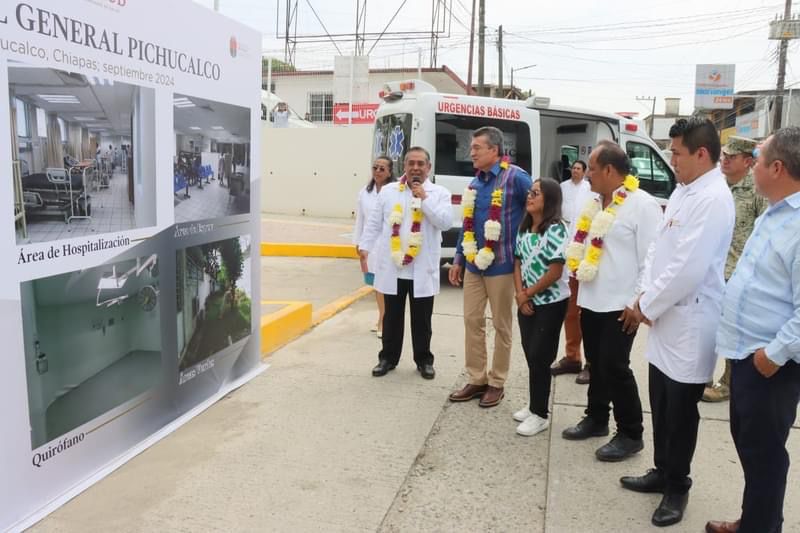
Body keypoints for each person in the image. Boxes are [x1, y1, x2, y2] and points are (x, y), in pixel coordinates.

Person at [621, 117, 735, 527]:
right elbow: (658, 248)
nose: (672, 161)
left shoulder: (714, 199)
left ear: (702, 154)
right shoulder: (685, 191)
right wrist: (645, 294)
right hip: (664, 316)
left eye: (677, 153)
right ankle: (661, 469)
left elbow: (689, 268)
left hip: (689, 322)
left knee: (681, 413)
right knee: (661, 403)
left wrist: (645, 305)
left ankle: (677, 487)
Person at [706, 127, 800, 533]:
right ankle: (755, 521)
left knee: (764, 455)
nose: (752, 167)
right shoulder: (775, 212)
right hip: (746, 353)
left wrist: (773, 354)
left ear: (776, 167)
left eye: (759, 161)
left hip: (770, 363)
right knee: (751, 446)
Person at [561, 140, 661, 463]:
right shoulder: (591, 202)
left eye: (591, 167)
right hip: (591, 297)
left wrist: (639, 301)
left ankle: (631, 433)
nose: (587, 173)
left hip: (622, 304)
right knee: (596, 363)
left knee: (615, 366)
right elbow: (578, 242)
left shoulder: (641, 204)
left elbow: (652, 257)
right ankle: (596, 418)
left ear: (609, 169)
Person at [447, 126, 533, 408]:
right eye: (472, 148)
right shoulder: (474, 184)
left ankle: (497, 382)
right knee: (472, 321)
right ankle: (477, 378)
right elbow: (466, 225)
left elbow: (537, 210)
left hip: (503, 265)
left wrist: (528, 252)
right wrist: (459, 259)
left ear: (494, 151)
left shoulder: (516, 178)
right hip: (473, 266)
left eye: (477, 148)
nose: (471, 152)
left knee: (502, 326)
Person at [358, 147, 452, 379]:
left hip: (423, 267)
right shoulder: (390, 191)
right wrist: (364, 247)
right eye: (411, 163)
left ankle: (424, 361)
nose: (416, 168)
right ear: (405, 167)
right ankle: (387, 358)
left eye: (421, 163)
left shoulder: (439, 193)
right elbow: (374, 223)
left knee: (422, 321)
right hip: (394, 266)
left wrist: (424, 199)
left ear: (428, 168)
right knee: (391, 318)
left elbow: (445, 223)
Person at [702, 136, 767, 403]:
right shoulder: (717, 186)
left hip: (737, 272)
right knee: (706, 324)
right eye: (724, 156)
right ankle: (702, 375)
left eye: (732, 156)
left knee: (730, 329)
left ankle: (727, 382)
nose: (725, 160)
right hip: (711, 269)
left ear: (748, 161)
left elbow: (763, 233)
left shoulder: (756, 192)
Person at [512, 177, 570, 436]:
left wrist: (528, 294)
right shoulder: (525, 227)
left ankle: (540, 414)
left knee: (540, 355)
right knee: (530, 353)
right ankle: (535, 404)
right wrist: (520, 295)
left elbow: (555, 271)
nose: (529, 196)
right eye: (529, 192)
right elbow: (517, 262)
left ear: (550, 199)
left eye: (536, 193)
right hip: (526, 300)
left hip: (550, 303)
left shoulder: (556, 229)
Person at [552, 159, 594, 384]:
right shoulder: (580, 192)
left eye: (589, 168)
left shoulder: (608, 194)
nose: (586, 173)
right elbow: (576, 226)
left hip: (596, 267)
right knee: (571, 314)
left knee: (589, 317)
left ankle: (591, 363)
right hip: (576, 261)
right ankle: (572, 357)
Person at [353, 156, 396, 337]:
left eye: (382, 169)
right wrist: (359, 242)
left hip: (388, 245)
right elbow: (360, 220)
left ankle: (383, 321)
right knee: (376, 285)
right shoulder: (365, 192)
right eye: (375, 167)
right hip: (371, 245)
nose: (378, 171)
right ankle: (381, 317)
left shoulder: (394, 191)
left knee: (384, 285)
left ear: (389, 172)